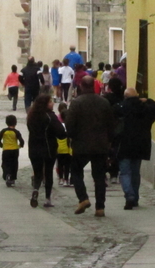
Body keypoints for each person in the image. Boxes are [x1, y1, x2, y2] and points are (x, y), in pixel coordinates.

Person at [64, 76, 114, 217]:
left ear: (80, 85)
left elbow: (70, 124)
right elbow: (111, 124)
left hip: (81, 144)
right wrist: (109, 141)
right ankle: (100, 207)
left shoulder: (76, 103)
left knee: (76, 171)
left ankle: (83, 198)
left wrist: (72, 137)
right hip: (100, 145)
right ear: (94, 85)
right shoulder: (104, 102)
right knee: (99, 176)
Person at [114, 88, 155, 209]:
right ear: (138, 96)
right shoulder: (145, 108)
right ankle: (134, 198)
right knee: (135, 172)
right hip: (140, 144)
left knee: (125, 172)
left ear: (125, 96)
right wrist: (148, 100)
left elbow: (111, 122)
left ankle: (129, 195)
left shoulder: (120, 107)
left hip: (123, 144)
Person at [26, 94, 66, 208]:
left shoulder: (31, 115)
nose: (52, 103)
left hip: (33, 148)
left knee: (37, 172)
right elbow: (61, 133)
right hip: (48, 148)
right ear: (45, 104)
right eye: (50, 101)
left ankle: (35, 189)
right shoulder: (50, 116)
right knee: (48, 173)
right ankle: (47, 198)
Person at [0, 114, 24, 187]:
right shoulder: (16, 132)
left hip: (6, 150)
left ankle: (7, 174)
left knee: (5, 163)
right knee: (14, 164)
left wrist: (2, 145)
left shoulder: (3, 131)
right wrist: (20, 146)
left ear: (6, 122)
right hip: (14, 150)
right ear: (15, 123)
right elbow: (22, 141)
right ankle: (12, 178)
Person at [55, 102, 71, 187]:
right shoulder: (69, 126)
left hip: (59, 148)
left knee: (60, 164)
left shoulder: (58, 124)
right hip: (67, 149)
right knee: (67, 165)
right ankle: (66, 179)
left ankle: (60, 178)